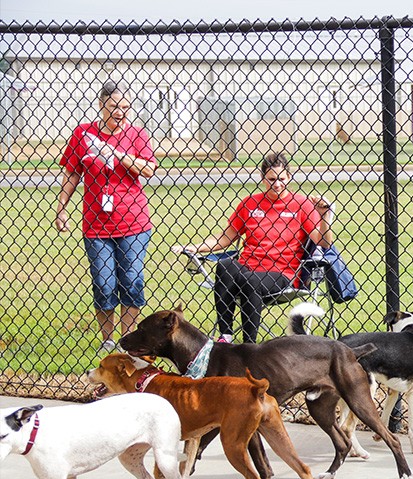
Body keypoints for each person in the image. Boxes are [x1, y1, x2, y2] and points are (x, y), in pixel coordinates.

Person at [172, 152, 334, 343]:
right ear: (263, 178)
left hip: (282, 273)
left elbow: (324, 242)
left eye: (282, 179)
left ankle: (249, 345)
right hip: (248, 267)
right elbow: (225, 238)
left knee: (250, 281)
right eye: (272, 179)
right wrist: (195, 248)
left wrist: (324, 217)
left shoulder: (302, 205)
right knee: (225, 265)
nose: (277, 184)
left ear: (289, 177)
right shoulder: (250, 203)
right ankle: (226, 337)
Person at [56, 80, 158, 355]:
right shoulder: (83, 134)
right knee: (103, 284)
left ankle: (127, 341)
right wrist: (61, 207)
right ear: (101, 105)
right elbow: (72, 173)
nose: (120, 112)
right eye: (114, 106)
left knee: (132, 281)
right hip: (96, 224)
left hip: (133, 222)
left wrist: (117, 154)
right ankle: (108, 339)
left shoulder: (137, 135)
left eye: (125, 107)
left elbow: (149, 169)